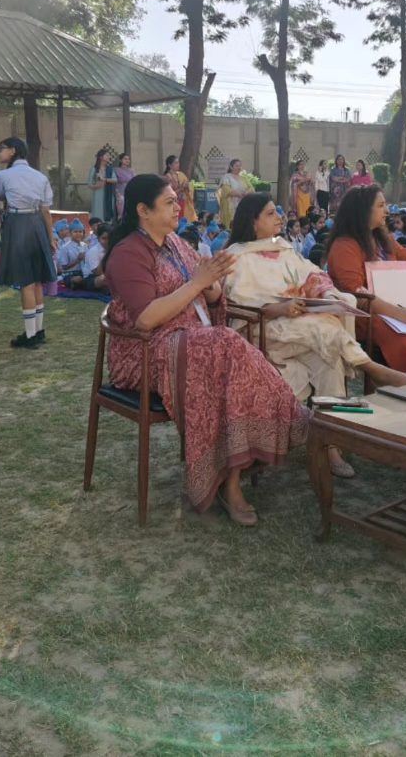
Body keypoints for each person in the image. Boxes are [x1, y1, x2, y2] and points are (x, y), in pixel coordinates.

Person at [103, 174, 310, 526]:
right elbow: (146, 319)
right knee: (224, 345)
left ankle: (232, 476)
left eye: (176, 200)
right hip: (145, 353)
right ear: (143, 210)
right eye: (169, 202)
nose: (178, 207)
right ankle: (291, 420)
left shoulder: (175, 243)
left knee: (225, 361)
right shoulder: (128, 254)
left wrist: (211, 282)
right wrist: (197, 282)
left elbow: (210, 294)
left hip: (191, 339)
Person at [225, 193, 406, 478]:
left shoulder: (284, 248)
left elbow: (314, 275)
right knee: (322, 327)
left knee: (330, 361)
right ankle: (371, 368)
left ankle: (331, 445)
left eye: (276, 212)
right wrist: (278, 308)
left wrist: (328, 295)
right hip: (263, 330)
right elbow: (239, 303)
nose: (279, 217)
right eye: (270, 214)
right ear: (252, 221)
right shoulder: (236, 257)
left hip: (300, 330)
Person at [325, 185, 406, 379]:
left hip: (402, 310)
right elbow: (357, 294)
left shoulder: (383, 239)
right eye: (380, 206)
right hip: (369, 317)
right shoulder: (344, 246)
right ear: (362, 211)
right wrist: (399, 314)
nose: (387, 211)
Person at [0, 137, 57, 348]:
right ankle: (38, 331)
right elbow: (46, 211)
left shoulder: (1, 175)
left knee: (26, 282)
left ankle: (29, 336)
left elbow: (1, 196)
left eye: (1, 149)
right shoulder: (40, 176)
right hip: (37, 223)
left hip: (18, 222)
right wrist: (51, 238)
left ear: (12, 150)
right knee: (36, 281)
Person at [67, 225, 109, 292]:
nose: (107, 241)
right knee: (104, 279)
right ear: (98, 239)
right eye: (104, 238)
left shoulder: (116, 248)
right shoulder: (93, 251)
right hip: (91, 277)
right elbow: (97, 272)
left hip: (108, 275)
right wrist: (107, 254)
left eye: (110, 238)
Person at [218, 158, 250, 228]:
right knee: (231, 224)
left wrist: (247, 193)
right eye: (237, 166)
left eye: (240, 166)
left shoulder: (244, 178)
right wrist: (239, 194)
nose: (239, 168)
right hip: (230, 205)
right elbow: (226, 190)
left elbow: (251, 188)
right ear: (231, 167)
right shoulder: (226, 177)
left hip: (242, 204)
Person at [163, 154, 196, 221]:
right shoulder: (168, 177)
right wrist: (181, 188)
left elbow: (187, 188)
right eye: (176, 163)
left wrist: (187, 186)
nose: (178, 164)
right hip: (173, 204)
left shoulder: (180, 175)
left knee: (183, 221)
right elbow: (169, 194)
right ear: (169, 165)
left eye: (178, 163)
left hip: (183, 202)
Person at [88, 150, 118, 222]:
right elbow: (89, 184)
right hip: (98, 194)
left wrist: (104, 179)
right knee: (98, 211)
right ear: (101, 157)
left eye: (109, 155)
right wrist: (97, 186)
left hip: (109, 193)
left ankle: (107, 226)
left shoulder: (110, 169)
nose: (109, 157)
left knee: (108, 211)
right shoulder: (94, 169)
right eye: (107, 155)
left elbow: (115, 180)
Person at [114, 152, 136, 220]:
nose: (127, 160)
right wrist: (117, 193)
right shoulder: (116, 170)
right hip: (120, 192)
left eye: (128, 159)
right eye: (125, 159)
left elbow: (134, 180)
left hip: (130, 191)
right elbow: (115, 182)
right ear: (121, 160)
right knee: (121, 202)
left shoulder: (131, 170)